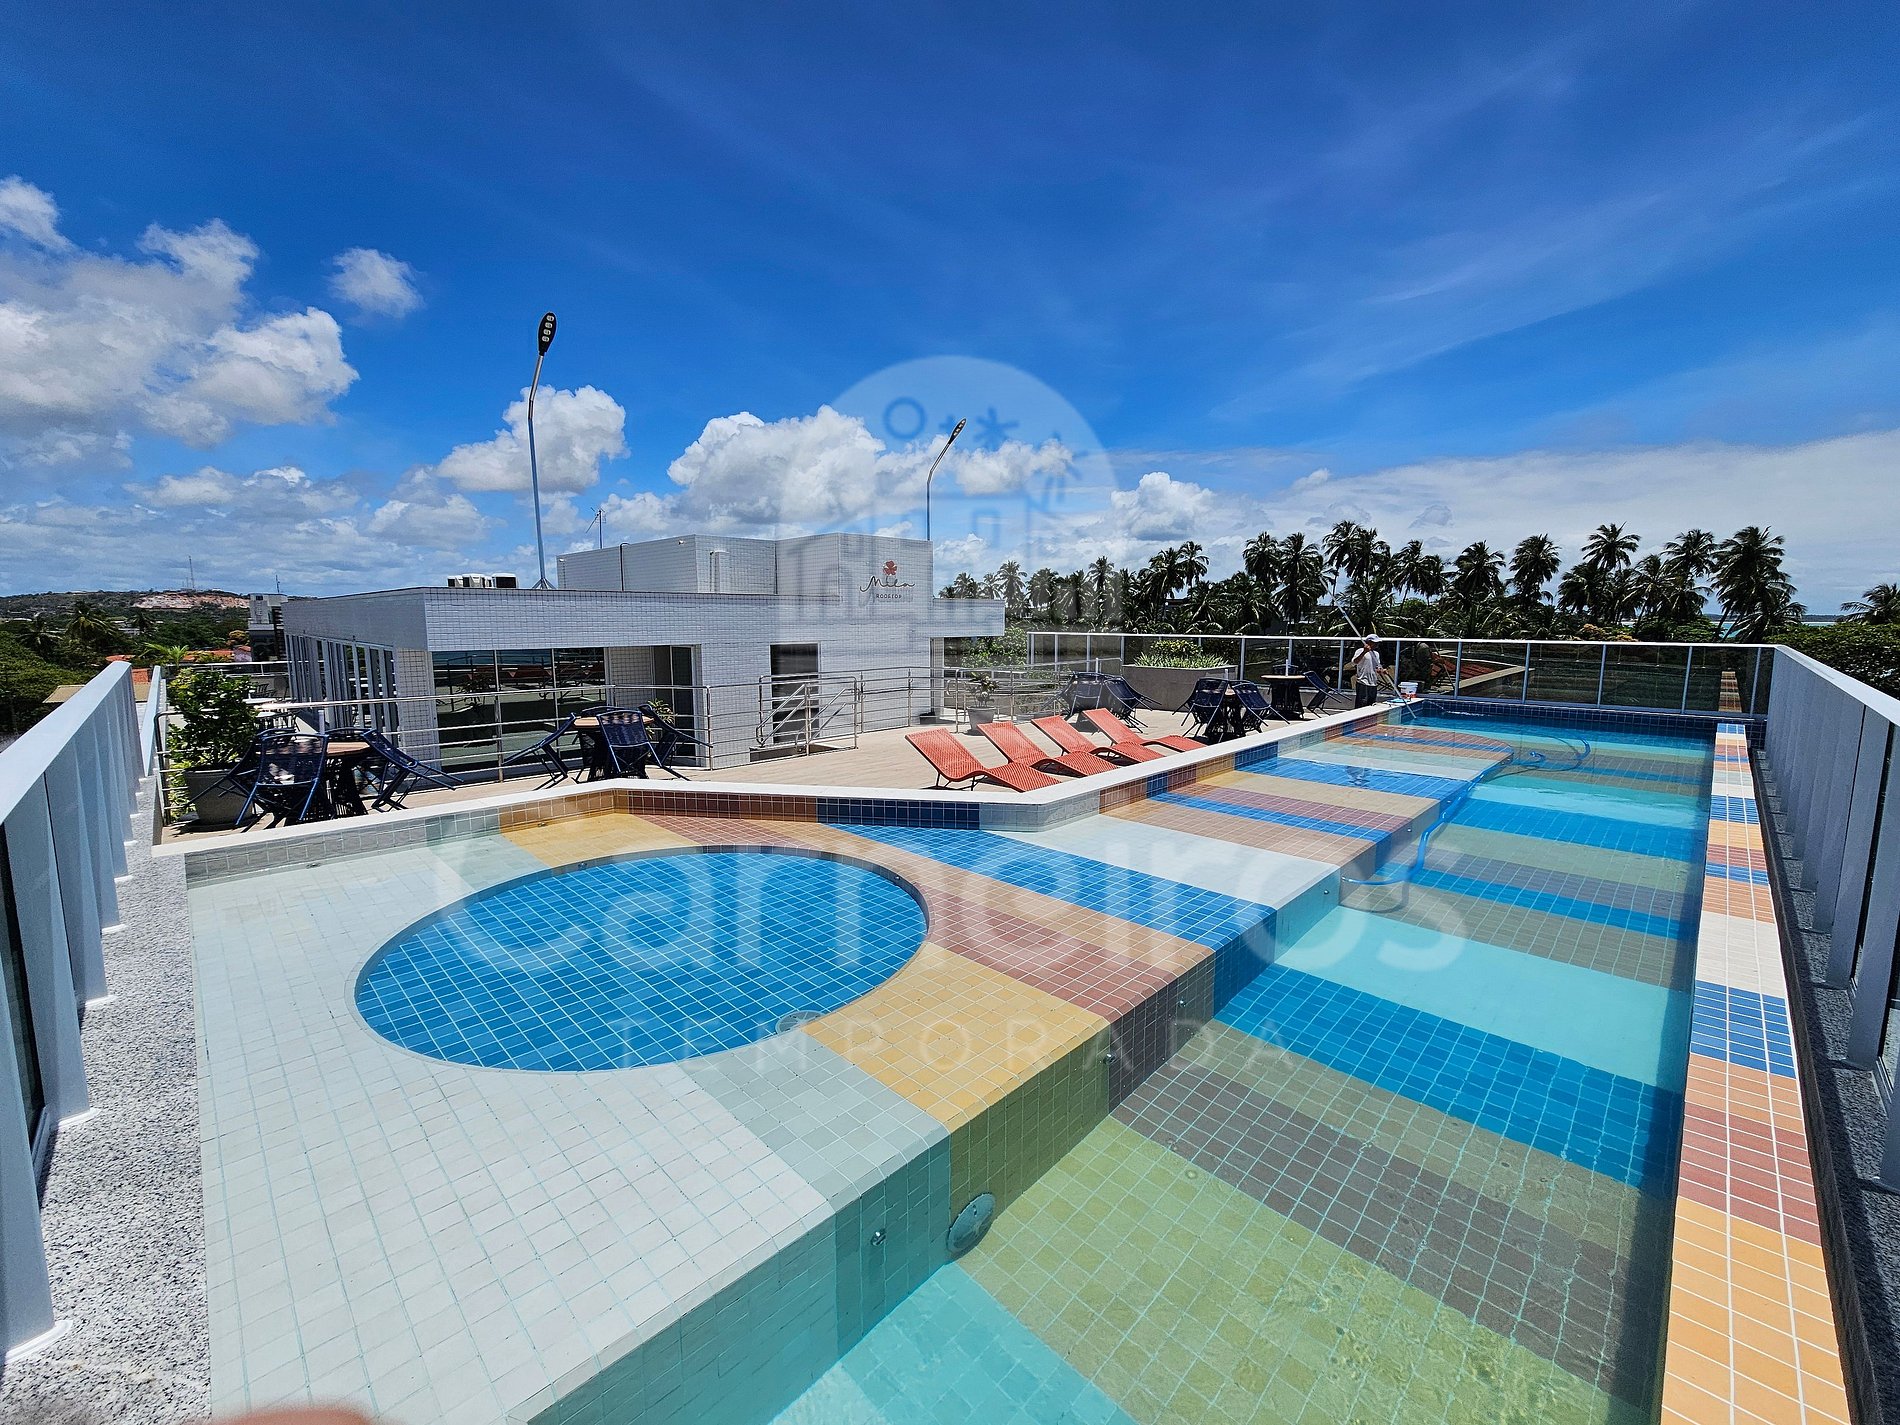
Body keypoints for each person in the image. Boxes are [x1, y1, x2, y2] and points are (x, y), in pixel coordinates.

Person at [1352, 636, 1383, 707]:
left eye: (1377, 643)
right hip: (1363, 682)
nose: (1376, 645)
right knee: (1362, 703)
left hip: (1373, 682)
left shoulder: (1376, 654)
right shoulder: (1360, 651)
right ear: (1369, 642)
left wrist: (1380, 670)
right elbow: (1355, 662)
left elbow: (1377, 666)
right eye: (1375, 643)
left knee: (1371, 704)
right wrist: (1364, 652)